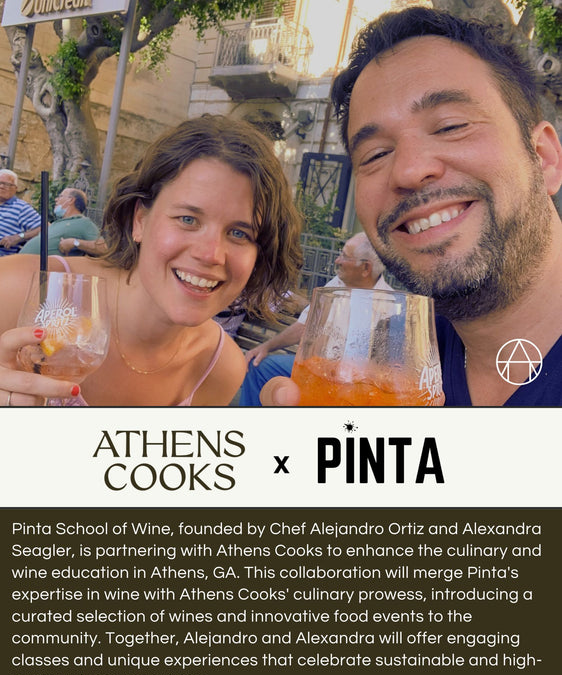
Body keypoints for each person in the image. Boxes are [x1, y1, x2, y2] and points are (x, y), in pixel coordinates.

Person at [261, 6, 562, 408]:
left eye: (451, 126)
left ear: (543, 157)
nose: (407, 170)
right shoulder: (388, 360)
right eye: (376, 154)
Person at [0, 114, 302, 406]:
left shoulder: (219, 369)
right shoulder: (16, 290)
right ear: (140, 220)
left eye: (239, 233)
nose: (210, 254)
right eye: (188, 219)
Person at [239, 231, 388, 405]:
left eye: (344, 256)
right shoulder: (336, 284)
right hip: (314, 367)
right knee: (259, 367)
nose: (337, 260)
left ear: (366, 268)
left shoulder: (387, 307)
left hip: (349, 383)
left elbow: (382, 372)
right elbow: (305, 325)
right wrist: (266, 347)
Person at [19, 187, 100, 256]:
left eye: (60, 196)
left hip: (41, 270)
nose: (56, 199)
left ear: (71, 200)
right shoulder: (57, 223)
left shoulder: (84, 223)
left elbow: (103, 248)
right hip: (24, 266)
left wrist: (75, 243)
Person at [0, 169, 41, 255]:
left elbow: (45, 227)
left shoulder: (21, 208)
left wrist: (19, 237)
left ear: (15, 189)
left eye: (6, 184)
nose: (2, 186)